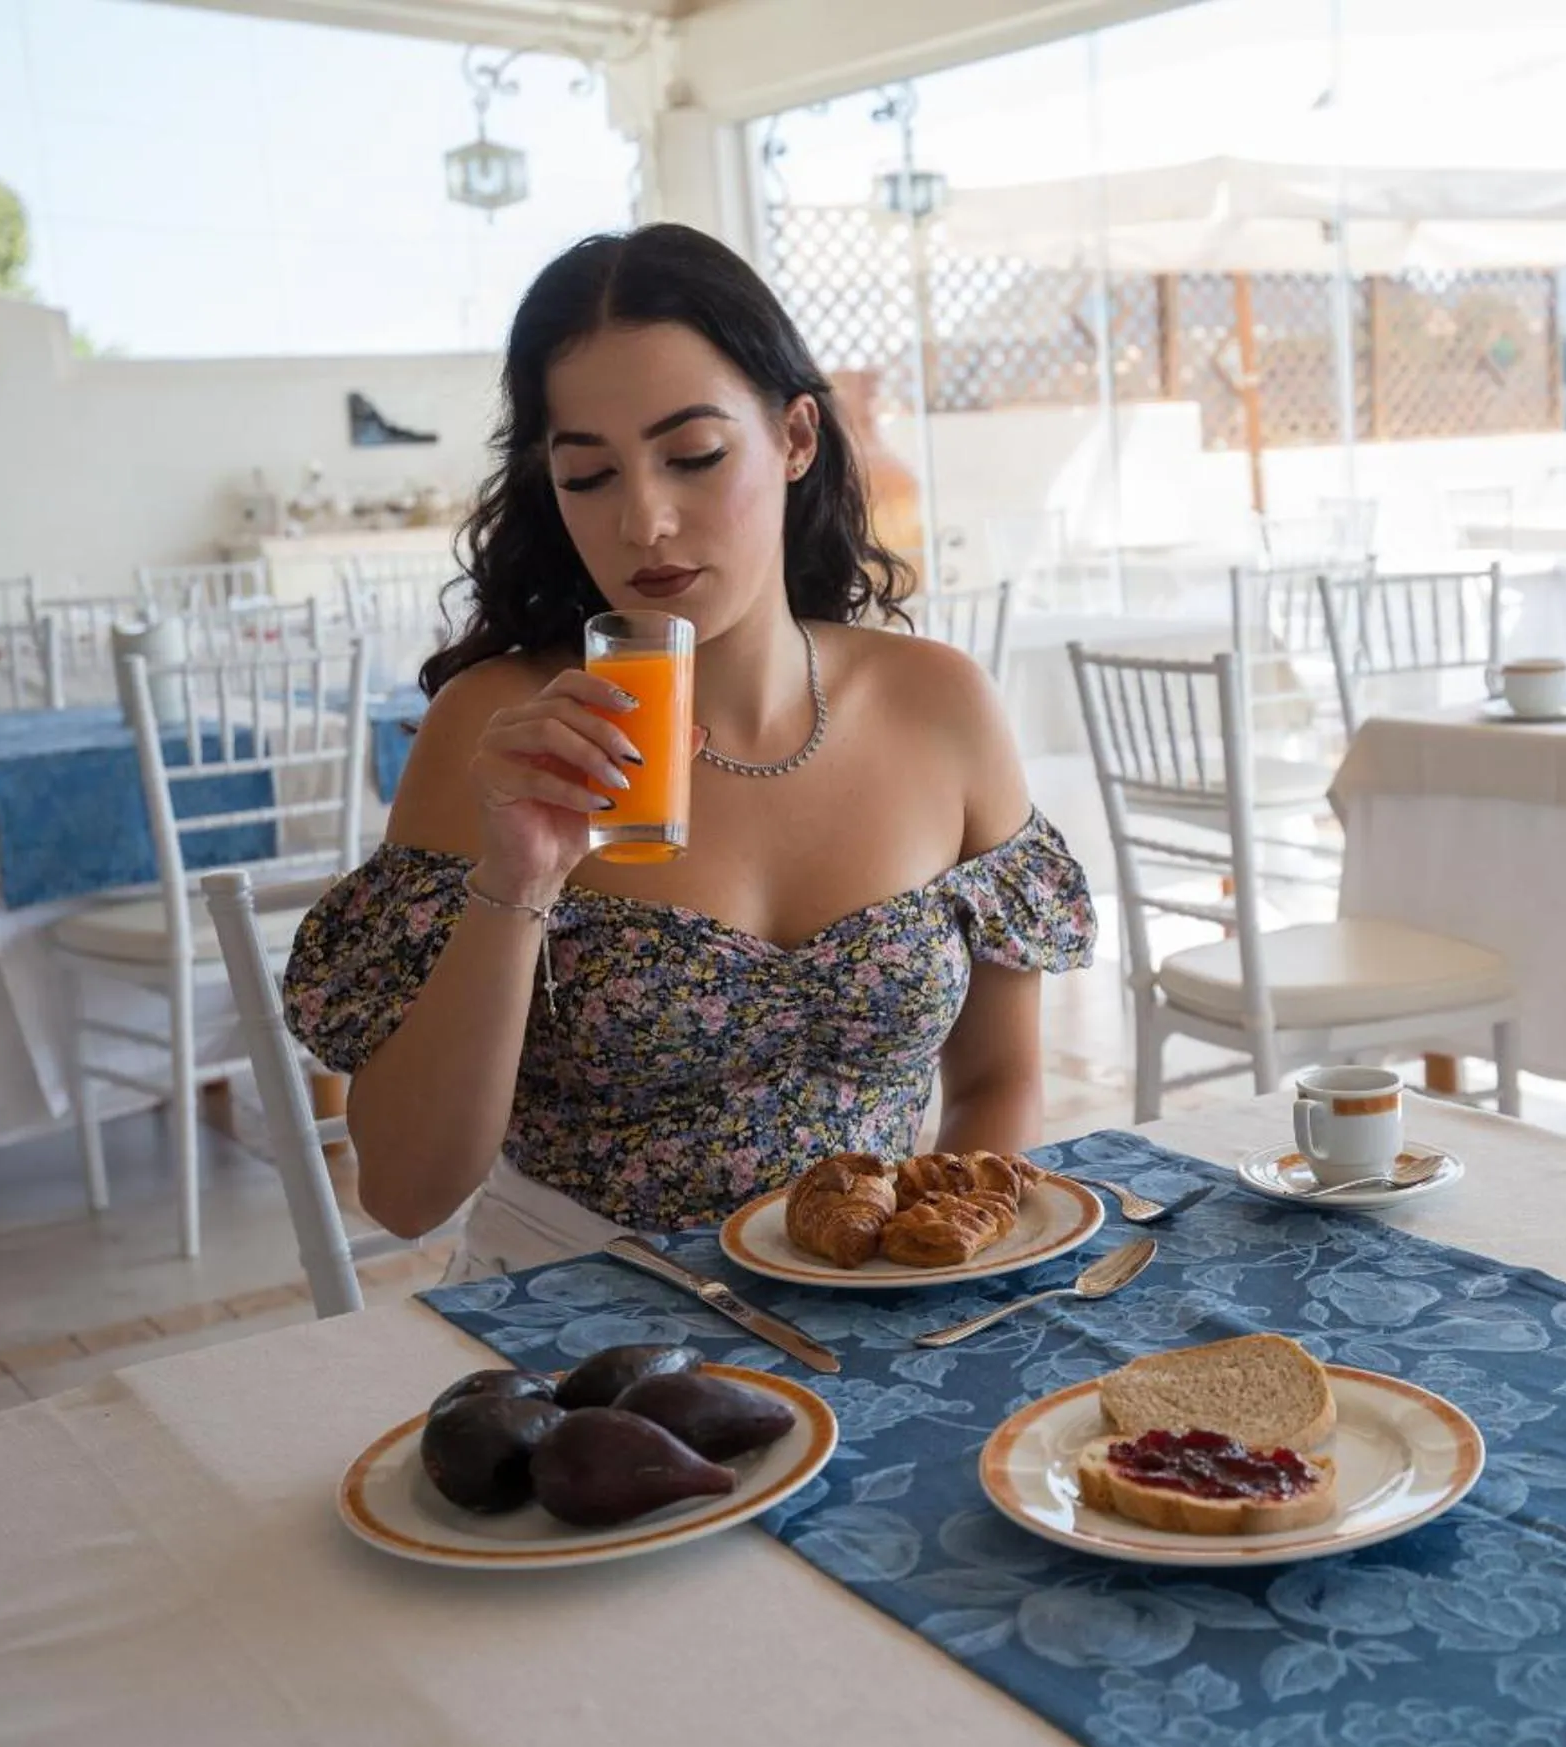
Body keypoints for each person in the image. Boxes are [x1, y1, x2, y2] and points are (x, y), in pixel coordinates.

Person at [283, 224, 1094, 1276]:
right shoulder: (497, 731)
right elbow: (404, 1193)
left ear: (795, 438)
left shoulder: (941, 707)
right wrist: (518, 874)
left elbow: (994, 1080)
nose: (646, 521)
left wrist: (941, 1258)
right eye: (589, 475)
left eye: (695, 457)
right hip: (584, 1331)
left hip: (872, 1309)